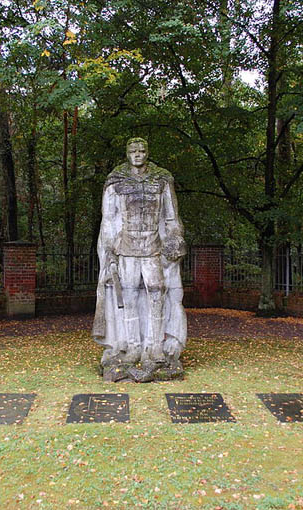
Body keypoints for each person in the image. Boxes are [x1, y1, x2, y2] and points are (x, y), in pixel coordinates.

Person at [92, 138, 187, 381]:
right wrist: (109, 251)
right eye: (133, 151)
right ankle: (132, 346)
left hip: (153, 248)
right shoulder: (116, 180)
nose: (138, 154)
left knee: (157, 293)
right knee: (130, 296)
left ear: (148, 153)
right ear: (127, 154)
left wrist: (175, 239)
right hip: (126, 248)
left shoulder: (161, 179)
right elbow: (109, 219)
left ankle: (154, 347)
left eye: (142, 150)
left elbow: (171, 217)